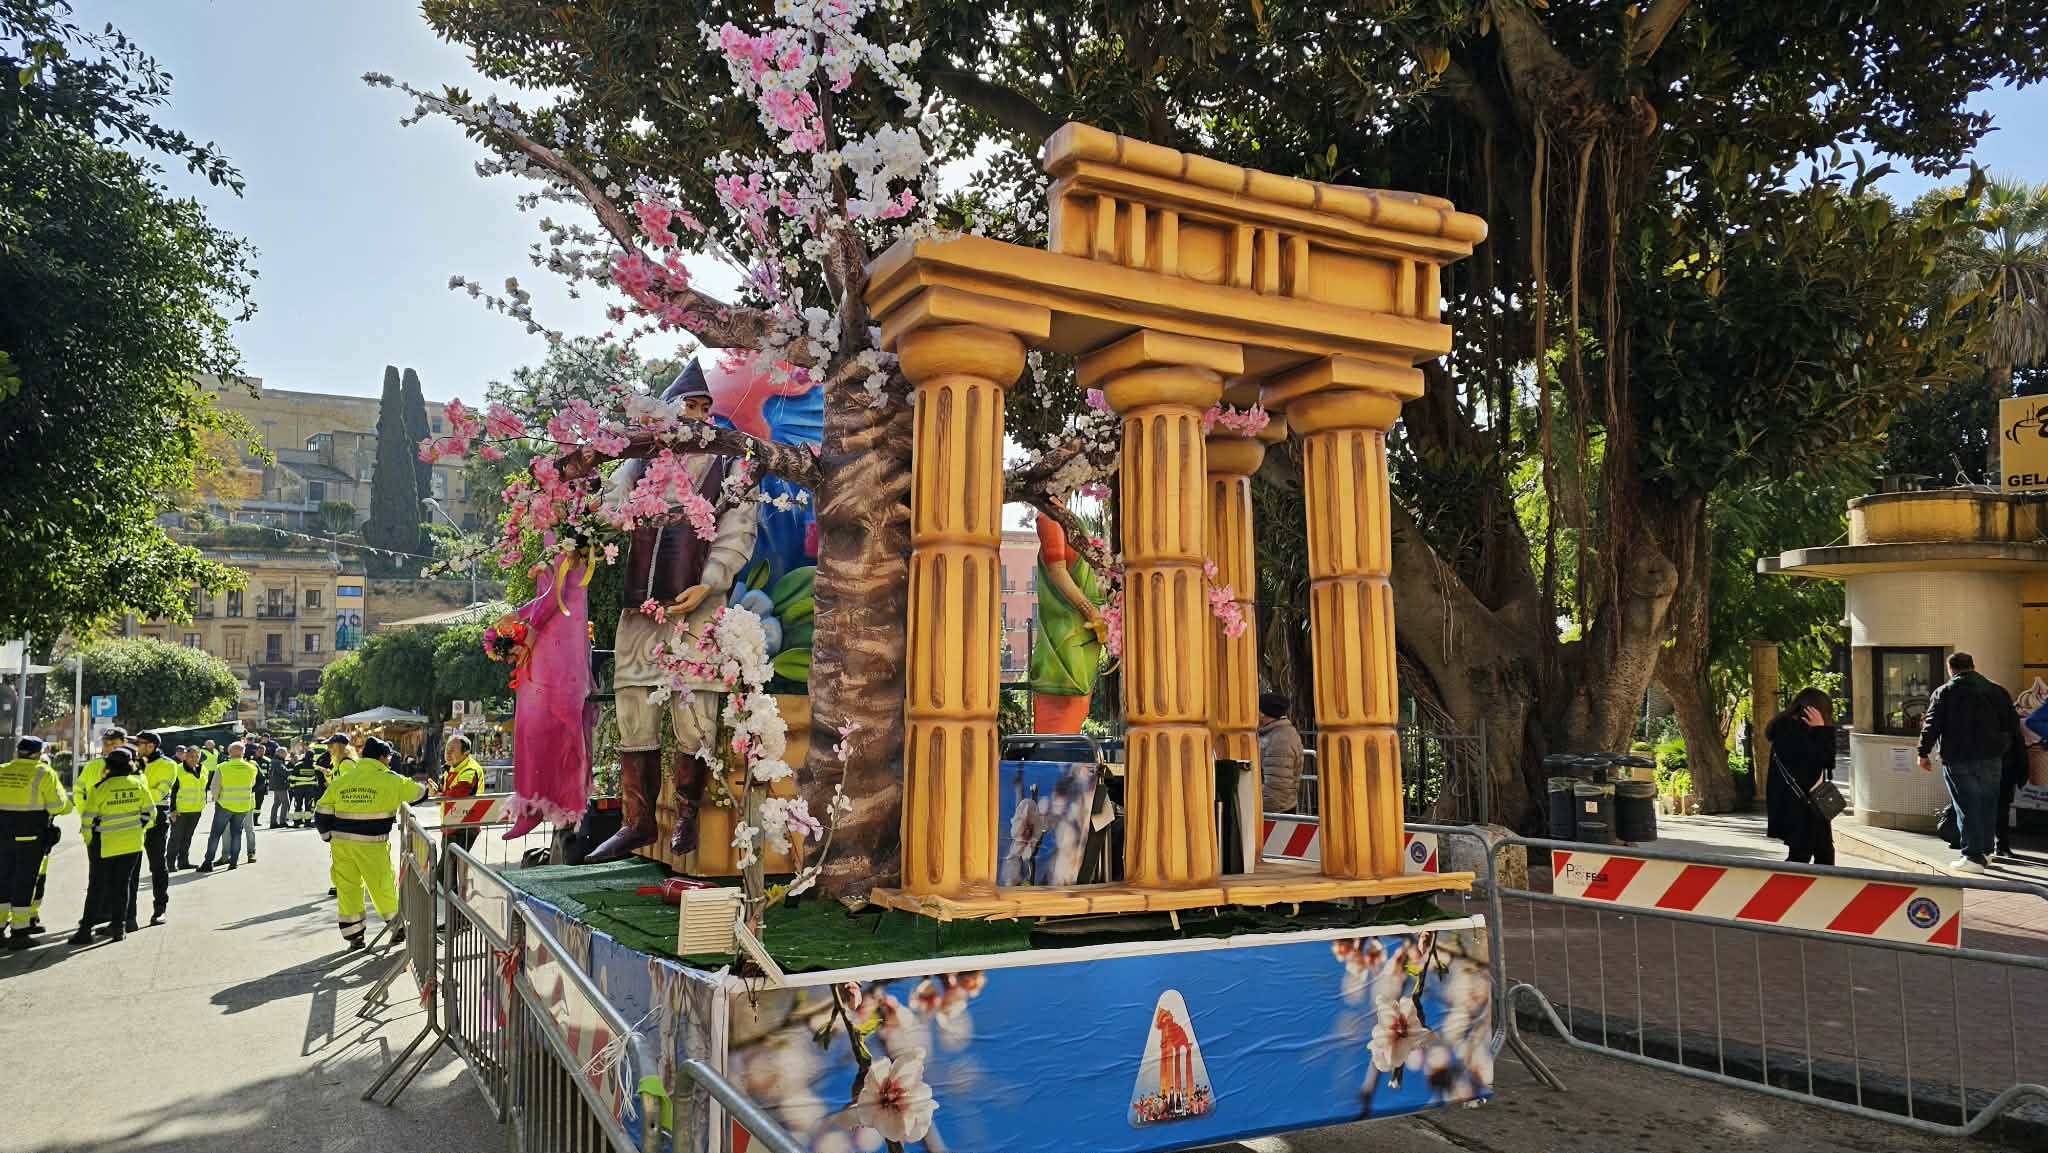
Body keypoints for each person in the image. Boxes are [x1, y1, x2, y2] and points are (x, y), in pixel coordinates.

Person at [589, 362, 754, 859]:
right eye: (689, 405)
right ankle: (637, 821)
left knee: (695, 708)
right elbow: (610, 508)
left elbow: (739, 528)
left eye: (705, 407)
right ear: (667, 410)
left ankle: (687, 815)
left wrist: (710, 583)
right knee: (634, 702)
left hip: (697, 608)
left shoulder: (730, 463)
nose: (697, 415)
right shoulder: (642, 461)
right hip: (642, 606)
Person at [315, 736, 425, 951]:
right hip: (371, 844)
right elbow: (419, 793)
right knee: (381, 884)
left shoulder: (343, 779)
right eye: (389, 757)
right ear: (382, 757)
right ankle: (396, 926)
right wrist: (427, 786)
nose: (390, 761)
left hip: (341, 844)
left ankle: (354, 935)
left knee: (347, 887)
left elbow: (321, 811)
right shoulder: (391, 780)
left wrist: (327, 836)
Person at [1918, 652, 2021, 874]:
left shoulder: (1944, 692)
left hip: (1958, 758)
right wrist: (2000, 746)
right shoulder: (1996, 690)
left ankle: (1972, 857)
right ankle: (1986, 851)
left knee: (1966, 806)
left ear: (1950, 669)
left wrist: (1923, 753)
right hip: (1991, 757)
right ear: (1973, 666)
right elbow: (2012, 724)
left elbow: (1932, 725)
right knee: (1988, 804)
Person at [1026, 497, 1108, 734]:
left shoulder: (1066, 518)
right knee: (1059, 727)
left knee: (1073, 718)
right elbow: (1057, 571)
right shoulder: (1049, 518)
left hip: (1083, 638)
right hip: (1065, 644)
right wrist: (1091, 612)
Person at [70, 747, 157, 944]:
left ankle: (85, 931)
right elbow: (151, 814)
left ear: (108, 766)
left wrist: (89, 840)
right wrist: (138, 830)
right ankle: (119, 928)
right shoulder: (138, 784)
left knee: (97, 888)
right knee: (122, 886)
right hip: (132, 845)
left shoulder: (100, 788)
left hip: (104, 846)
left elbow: (87, 820)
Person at [0, 737, 68, 950]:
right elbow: (57, 806)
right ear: (38, 754)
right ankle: (19, 932)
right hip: (30, 837)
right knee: (24, 882)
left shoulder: (2, 770)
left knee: (2, 880)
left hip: (2, 836)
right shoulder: (43, 772)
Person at [1765, 689, 1838, 865]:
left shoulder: (1786, 728)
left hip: (1807, 801)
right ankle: (1784, 883)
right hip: (1802, 804)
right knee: (1804, 855)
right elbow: (1826, 760)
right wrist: (1822, 730)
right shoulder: (1795, 732)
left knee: (1819, 853)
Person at [132, 731, 175, 926]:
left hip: (156, 819)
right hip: (132, 818)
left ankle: (160, 909)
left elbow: (159, 793)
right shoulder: (133, 762)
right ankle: (128, 915)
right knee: (131, 868)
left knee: (157, 865)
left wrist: (134, 796)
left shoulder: (168, 765)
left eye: (139, 743)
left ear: (151, 746)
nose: (136, 746)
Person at [196, 742, 259, 872]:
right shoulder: (252, 768)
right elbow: (252, 784)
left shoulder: (222, 767)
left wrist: (216, 798)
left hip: (224, 805)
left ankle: (208, 862)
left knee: (215, 835)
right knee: (237, 834)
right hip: (243, 805)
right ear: (243, 752)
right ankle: (234, 862)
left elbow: (214, 786)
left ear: (229, 752)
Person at [436, 734, 486, 853]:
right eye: (447, 749)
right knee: (451, 861)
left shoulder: (470, 770)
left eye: (453, 750)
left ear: (466, 753)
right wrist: (438, 792)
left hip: (463, 826)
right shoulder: (451, 766)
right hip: (452, 823)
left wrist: (438, 796)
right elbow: (447, 792)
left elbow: (457, 794)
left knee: (448, 863)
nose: (448, 753)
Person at [1258, 691, 1305, 814]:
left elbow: (1277, 786)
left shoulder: (1279, 740)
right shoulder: (1277, 734)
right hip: (1280, 806)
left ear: (1262, 714)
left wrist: (1260, 807)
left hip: (1275, 810)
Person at [166, 746, 208, 870]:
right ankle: (170, 863)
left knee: (187, 838)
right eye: (191, 756)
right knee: (175, 838)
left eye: (197, 756)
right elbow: (171, 792)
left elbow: (204, 789)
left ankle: (183, 862)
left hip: (196, 810)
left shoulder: (204, 769)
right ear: (185, 756)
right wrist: (172, 810)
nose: (194, 759)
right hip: (180, 811)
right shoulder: (177, 770)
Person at [289, 743, 329, 828]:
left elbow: (292, 777)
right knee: (308, 805)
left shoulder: (298, 765)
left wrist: (292, 788)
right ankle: (307, 822)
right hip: (310, 789)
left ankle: (297, 822)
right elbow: (321, 772)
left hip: (298, 789)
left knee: (298, 805)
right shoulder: (313, 766)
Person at [267, 743, 293, 830]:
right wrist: (294, 769)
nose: (286, 755)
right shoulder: (278, 762)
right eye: (285, 753)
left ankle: (273, 822)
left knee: (277, 803)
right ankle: (282, 822)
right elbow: (285, 772)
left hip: (276, 785)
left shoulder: (275, 761)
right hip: (280, 785)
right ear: (281, 753)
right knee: (285, 803)